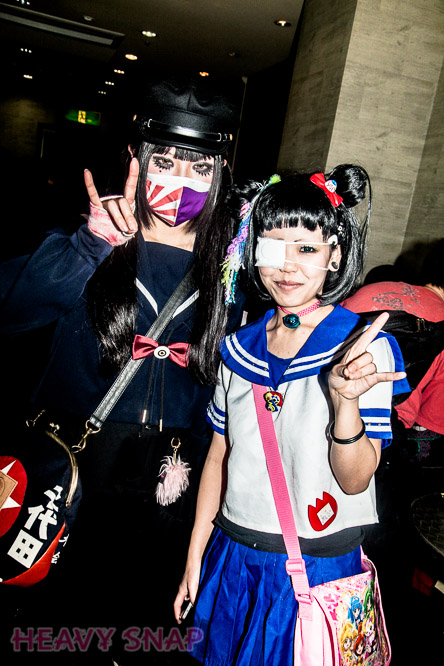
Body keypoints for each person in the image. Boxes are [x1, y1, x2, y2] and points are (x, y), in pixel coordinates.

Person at [0, 76, 244, 663]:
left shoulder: (231, 277)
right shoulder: (87, 244)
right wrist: (90, 247)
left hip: (170, 490)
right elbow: (10, 311)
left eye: (199, 167)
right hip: (73, 478)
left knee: (144, 634)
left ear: (220, 175)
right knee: (54, 631)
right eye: (165, 161)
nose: (180, 182)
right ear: (136, 159)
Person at [173, 165, 409, 666]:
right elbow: (219, 456)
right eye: (272, 248)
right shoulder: (237, 348)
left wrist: (345, 402)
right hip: (232, 555)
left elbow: (355, 480)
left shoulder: (363, 348)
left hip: (317, 568)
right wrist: (195, 554)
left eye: (306, 249)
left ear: (335, 254)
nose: (287, 267)